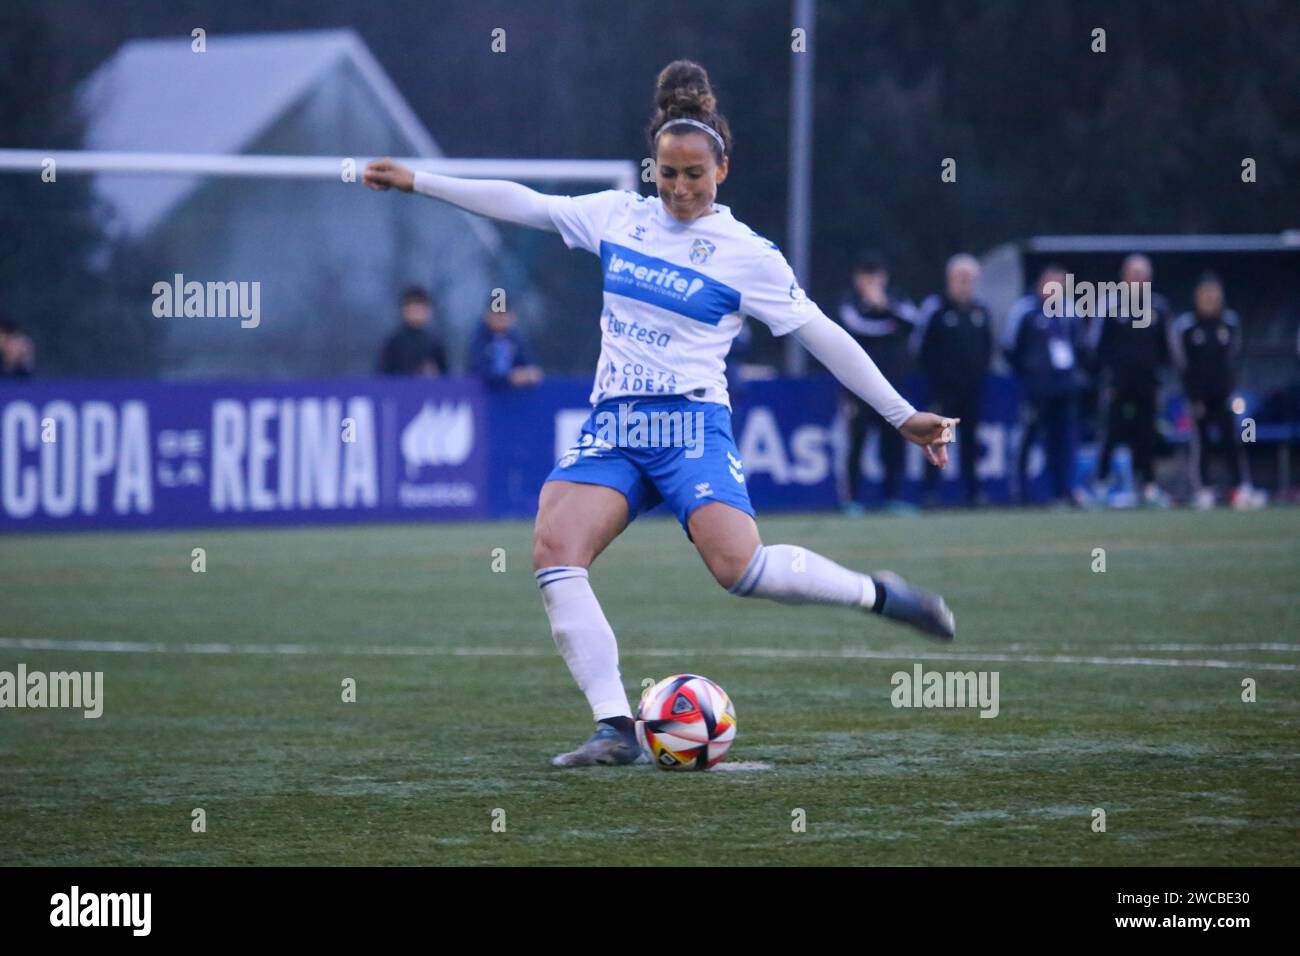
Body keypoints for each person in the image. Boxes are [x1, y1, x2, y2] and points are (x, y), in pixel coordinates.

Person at [364, 60, 957, 768]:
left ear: (722, 171)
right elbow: (525, 202)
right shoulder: (619, 215)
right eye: (667, 174)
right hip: (615, 426)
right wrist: (419, 181)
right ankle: (615, 726)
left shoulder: (748, 255)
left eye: (693, 176)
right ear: (652, 169)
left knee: (739, 569)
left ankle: (879, 595)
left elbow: (821, 334)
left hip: (690, 428)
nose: (678, 189)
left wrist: (899, 415)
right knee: (555, 549)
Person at [1086, 254, 1171, 507]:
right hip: (1117, 383)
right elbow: (1095, 345)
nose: (1138, 279)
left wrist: (1160, 376)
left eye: (1143, 275)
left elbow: (1167, 349)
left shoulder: (1159, 307)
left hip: (1147, 383)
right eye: (1134, 274)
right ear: (1124, 277)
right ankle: (1100, 485)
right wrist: (1105, 377)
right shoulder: (1109, 305)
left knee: (1146, 435)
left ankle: (1147, 485)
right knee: (1111, 432)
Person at [1168, 273, 1258, 509]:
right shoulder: (1186, 326)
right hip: (1198, 397)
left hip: (1226, 395)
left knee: (1234, 439)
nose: (1210, 298)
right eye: (1205, 293)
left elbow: (1235, 359)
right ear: (1197, 296)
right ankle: (1202, 489)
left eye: (1214, 293)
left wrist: (1232, 390)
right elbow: (1182, 364)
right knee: (1201, 442)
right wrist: (1192, 396)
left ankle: (1241, 486)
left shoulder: (1230, 323)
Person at [837, 252, 916, 514]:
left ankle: (894, 497)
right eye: (866, 276)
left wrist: (885, 307)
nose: (871, 281)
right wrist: (886, 319)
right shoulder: (849, 303)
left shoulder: (898, 299)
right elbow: (858, 328)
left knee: (894, 442)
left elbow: (911, 323)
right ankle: (852, 500)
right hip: (857, 388)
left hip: (892, 386)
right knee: (857, 441)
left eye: (876, 275)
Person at [1004, 264, 1084, 506]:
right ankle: (1021, 492)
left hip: (1065, 389)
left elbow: (1080, 346)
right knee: (1029, 438)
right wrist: (1029, 374)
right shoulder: (1024, 310)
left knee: (1064, 441)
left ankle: (1064, 491)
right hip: (1036, 390)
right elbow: (1009, 347)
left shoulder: (1070, 311)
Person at [916, 254, 992, 506]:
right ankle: (931, 493)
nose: (964, 283)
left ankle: (973, 492)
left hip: (972, 392)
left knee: (971, 442)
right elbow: (921, 348)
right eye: (960, 278)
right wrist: (937, 381)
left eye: (969, 278)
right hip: (944, 393)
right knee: (940, 442)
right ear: (949, 279)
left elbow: (988, 348)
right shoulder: (937, 309)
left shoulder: (981, 311)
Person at [466, 302, 543, 389]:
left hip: (514, 396)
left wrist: (529, 373)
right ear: (487, 316)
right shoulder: (478, 340)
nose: (501, 318)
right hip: (484, 395)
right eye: (497, 314)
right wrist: (508, 378)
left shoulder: (516, 339)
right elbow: (479, 371)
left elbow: (527, 363)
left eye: (505, 314)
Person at [376, 287, 449, 377]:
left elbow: (445, 377)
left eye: (420, 307)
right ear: (404, 310)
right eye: (411, 306)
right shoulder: (394, 342)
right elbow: (383, 376)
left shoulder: (435, 343)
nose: (416, 312)